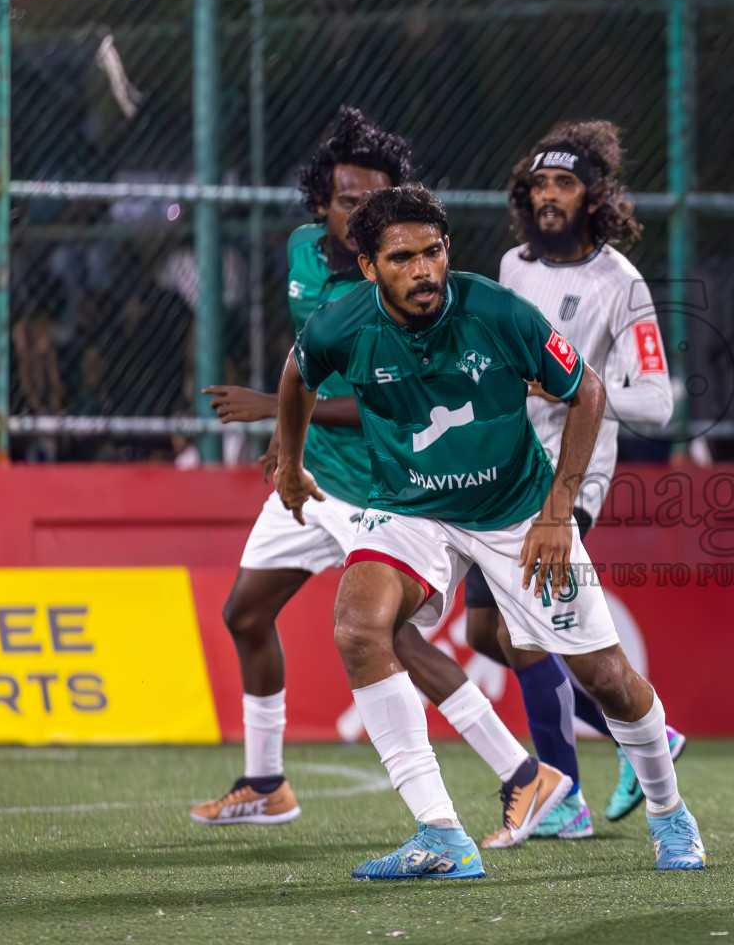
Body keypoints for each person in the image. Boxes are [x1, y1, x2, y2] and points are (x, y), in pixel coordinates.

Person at [276, 184, 703, 879]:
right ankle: (441, 834)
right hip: (411, 507)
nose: (423, 271)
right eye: (402, 258)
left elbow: (587, 390)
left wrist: (559, 514)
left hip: (515, 511)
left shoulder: (498, 313)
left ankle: (669, 811)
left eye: (433, 252)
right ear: (368, 267)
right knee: (359, 626)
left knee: (607, 678)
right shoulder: (340, 325)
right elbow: (298, 376)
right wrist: (290, 468)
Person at [191, 108, 569, 849]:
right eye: (346, 200)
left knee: (387, 634)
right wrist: (287, 440)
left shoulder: (404, 289)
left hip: (381, 484)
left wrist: (276, 411)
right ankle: (267, 784)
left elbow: (385, 401)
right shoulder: (303, 254)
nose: (359, 212)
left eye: (374, 200)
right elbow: (308, 364)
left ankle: (522, 770)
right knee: (244, 613)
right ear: (321, 206)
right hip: (307, 476)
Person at [459, 120, 683, 846]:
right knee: (485, 632)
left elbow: (658, 402)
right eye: (539, 184)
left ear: (595, 196)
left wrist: (579, 389)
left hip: (567, 482)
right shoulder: (512, 264)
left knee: (527, 637)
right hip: (499, 475)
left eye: (565, 184)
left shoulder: (621, 284)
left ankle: (563, 794)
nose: (548, 196)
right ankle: (638, 737)